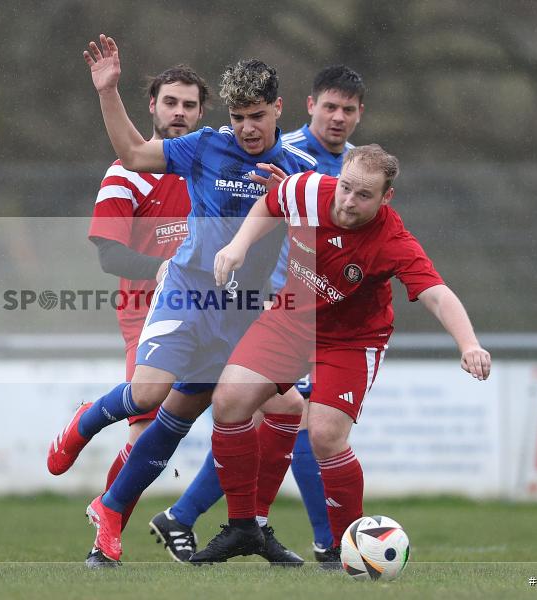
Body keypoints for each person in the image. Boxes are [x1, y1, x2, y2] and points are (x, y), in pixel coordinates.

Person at [49, 34, 317, 567]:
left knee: (260, 408)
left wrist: (294, 198)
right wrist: (108, 92)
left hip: (242, 314)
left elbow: (318, 239)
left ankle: (129, 515)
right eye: (238, 116)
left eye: (257, 116)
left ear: (279, 109)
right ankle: (87, 421)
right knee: (148, 395)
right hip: (187, 294)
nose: (245, 128)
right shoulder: (205, 146)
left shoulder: (297, 166)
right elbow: (131, 153)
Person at [189, 144, 491, 564]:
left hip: (352, 340)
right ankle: (244, 528)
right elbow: (269, 203)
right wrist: (239, 246)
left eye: (363, 195)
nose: (348, 201)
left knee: (327, 435)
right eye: (345, 187)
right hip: (291, 321)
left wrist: (469, 343)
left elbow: (437, 295)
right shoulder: (309, 190)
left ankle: (346, 549)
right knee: (228, 402)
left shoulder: (392, 240)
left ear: (386, 197)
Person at [151, 64, 366, 565]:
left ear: (360, 115)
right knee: (292, 416)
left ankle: (204, 517)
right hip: (272, 309)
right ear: (306, 105)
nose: (337, 118)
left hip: (320, 308)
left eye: (348, 110)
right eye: (329, 106)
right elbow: (256, 228)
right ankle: (326, 542)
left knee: (274, 415)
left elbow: (352, 233)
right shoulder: (281, 154)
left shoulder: (358, 166)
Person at [74, 65, 208, 532]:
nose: (179, 112)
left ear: (201, 113)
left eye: (189, 105)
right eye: (170, 102)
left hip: (211, 313)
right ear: (151, 106)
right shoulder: (126, 173)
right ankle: (108, 526)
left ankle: (238, 525)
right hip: (146, 313)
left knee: (264, 410)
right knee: (147, 425)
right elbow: (110, 256)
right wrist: (165, 270)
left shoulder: (210, 167)